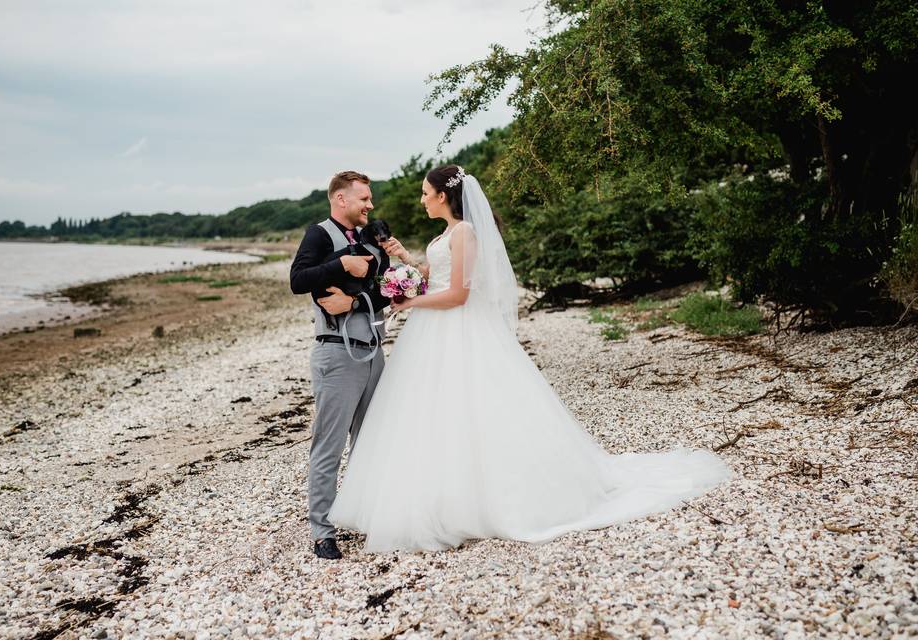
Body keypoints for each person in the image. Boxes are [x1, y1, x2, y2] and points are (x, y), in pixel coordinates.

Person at [328, 165, 731, 553]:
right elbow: (439, 278)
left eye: (425, 193)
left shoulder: (465, 232)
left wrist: (411, 301)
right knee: (433, 411)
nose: (421, 200)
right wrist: (406, 262)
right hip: (432, 332)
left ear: (443, 196)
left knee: (472, 407)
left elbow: (459, 295)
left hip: (460, 328)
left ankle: (480, 500)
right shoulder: (448, 233)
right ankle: (437, 494)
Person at [289, 170, 392, 560]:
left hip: (374, 351)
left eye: (369, 198)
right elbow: (298, 280)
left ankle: (363, 515)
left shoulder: (368, 238)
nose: (370, 205)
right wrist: (342, 267)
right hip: (337, 352)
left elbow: (381, 292)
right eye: (364, 198)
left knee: (369, 440)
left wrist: (355, 301)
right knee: (329, 445)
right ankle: (322, 530)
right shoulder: (319, 234)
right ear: (340, 200)